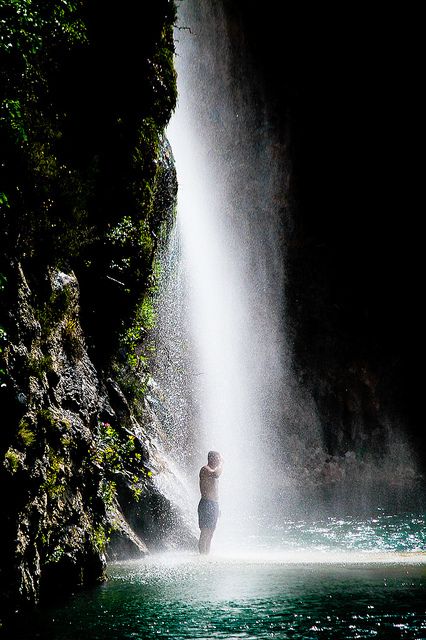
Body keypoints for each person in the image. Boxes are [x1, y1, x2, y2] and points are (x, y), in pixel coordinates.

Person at [198, 450, 223, 554]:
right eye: (218, 458)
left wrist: (218, 507)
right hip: (206, 503)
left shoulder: (213, 470)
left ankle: (206, 555)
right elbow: (216, 474)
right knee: (205, 532)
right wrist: (222, 463)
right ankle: (201, 556)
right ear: (211, 458)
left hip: (214, 504)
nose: (219, 461)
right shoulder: (205, 469)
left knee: (211, 533)